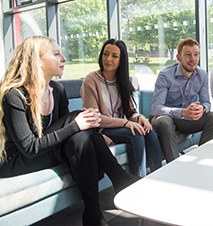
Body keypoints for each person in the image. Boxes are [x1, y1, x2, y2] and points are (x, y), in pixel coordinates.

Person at [0, 36, 136, 225]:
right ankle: (118, 179)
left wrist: (82, 127)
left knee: (81, 137)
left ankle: (92, 213)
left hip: (47, 149)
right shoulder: (14, 95)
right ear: (38, 60)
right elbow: (30, 148)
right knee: (77, 120)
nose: (64, 58)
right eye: (56, 54)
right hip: (18, 160)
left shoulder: (57, 89)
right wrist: (77, 124)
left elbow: (72, 135)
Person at [81, 39, 162, 178]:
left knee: (148, 130)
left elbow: (131, 112)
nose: (108, 59)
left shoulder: (123, 81)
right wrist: (125, 123)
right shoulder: (91, 80)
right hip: (100, 129)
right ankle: (138, 182)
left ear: (121, 60)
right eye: (105, 54)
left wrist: (140, 118)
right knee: (134, 133)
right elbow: (94, 119)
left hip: (119, 127)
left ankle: (159, 177)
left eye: (114, 56)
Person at [151, 38, 213, 163]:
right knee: (165, 121)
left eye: (196, 55)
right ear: (179, 57)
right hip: (164, 118)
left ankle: (202, 161)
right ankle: (174, 166)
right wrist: (183, 112)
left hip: (186, 120)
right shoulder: (165, 76)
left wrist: (202, 109)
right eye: (188, 55)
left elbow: (207, 103)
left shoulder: (202, 75)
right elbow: (156, 108)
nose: (192, 59)